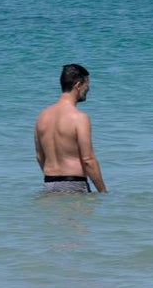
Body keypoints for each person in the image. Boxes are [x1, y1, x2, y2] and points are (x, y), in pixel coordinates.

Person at [34, 63, 107, 193]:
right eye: (87, 85)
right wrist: (103, 191)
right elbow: (88, 160)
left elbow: (40, 156)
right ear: (78, 85)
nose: (88, 89)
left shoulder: (41, 117)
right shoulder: (79, 118)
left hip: (49, 185)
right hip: (74, 184)